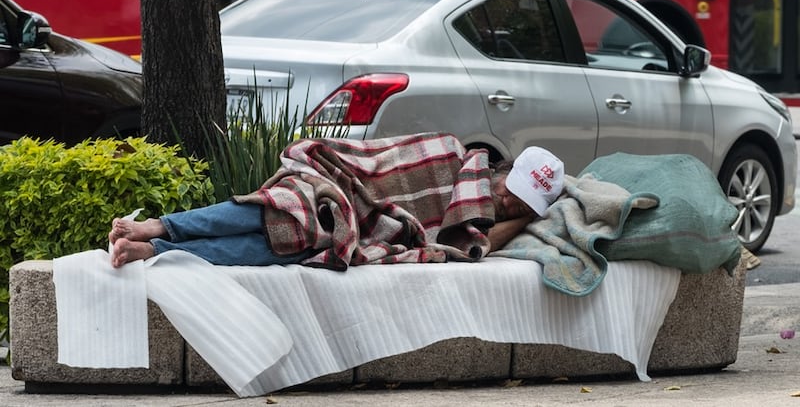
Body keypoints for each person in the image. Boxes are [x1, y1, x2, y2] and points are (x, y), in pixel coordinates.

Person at [108, 140, 565, 269]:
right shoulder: (449, 154)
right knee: (284, 205)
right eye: (508, 190)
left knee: (294, 242)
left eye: (520, 206)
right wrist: (348, 184)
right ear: (503, 171)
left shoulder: (489, 223)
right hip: (339, 181)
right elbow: (385, 163)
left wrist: (516, 221)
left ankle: (156, 251)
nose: (505, 202)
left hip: (363, 225)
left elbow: (471, 244)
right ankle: (158, 227)